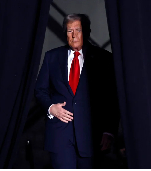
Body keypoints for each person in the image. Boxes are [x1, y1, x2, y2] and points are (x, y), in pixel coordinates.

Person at [35, 13, 119, 169]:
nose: (73, 35)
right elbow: (40, 90)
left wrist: (109, 131)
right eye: (69, 30)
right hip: (60, 137)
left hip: (92, 136)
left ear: (86, 31)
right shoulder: (51, 57)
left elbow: (111, 97)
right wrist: (50, 107)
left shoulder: (103, 58)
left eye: (78, 30)